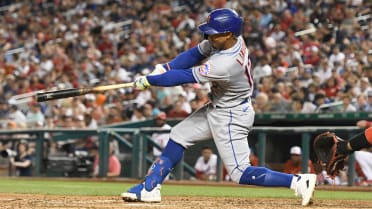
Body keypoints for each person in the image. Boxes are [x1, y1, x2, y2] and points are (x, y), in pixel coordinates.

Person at [121, 8, 316, 206]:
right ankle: (150, 187)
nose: (208, 36)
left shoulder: (226, 63)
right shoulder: (226, 40)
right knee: (179, 135)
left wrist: (150, 80)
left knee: (240, 173)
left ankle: (298, 181)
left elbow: (184, 76)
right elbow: (194, 54)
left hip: (231, 115)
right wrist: (167, 67)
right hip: (219, 107)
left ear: (229, 34)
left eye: (213, 33)